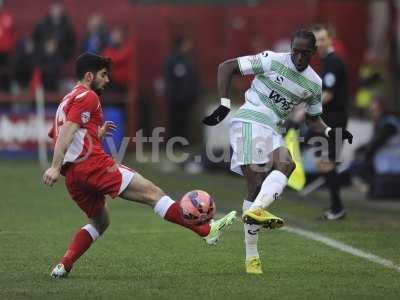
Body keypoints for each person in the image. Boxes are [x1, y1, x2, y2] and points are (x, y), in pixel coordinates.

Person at [43, 53, 236, 279]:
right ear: (89, 75)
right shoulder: (89, 96)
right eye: (103, 75)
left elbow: (60, 133)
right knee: (154, 193)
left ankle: (64, 265)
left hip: (74, 177)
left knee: (100, 221)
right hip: (92, 166)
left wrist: (96, 132)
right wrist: (54, 166)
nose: (107, 80)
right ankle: (206, 230)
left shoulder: (66, 100)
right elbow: (66, 133)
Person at [203, 29, 353, 274]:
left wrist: (330, 132)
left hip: (273, 128)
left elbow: (314, 119)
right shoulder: (271, 59)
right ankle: (252, 256)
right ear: (291, 48)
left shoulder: (314, 82)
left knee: (286, 165)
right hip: (249, 120)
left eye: (306, 53)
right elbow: (226, 66)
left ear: (314, 53)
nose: (300, 57)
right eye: (296, 52)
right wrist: (224, 104)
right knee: (256, 186)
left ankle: (230, 223)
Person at [312, 24, 350, 220]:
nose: (318, 43)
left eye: (322, 39)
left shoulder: (334, 62)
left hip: (335, 120)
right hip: (327, 119)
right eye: (316, 40)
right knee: (323, 163)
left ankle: (337, 208)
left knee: (326, 163)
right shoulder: (326, 61)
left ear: (330, 39)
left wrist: (305, 109)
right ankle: (336, 206)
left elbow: (328, 94)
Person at [163, 36, 200, 140]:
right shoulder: (173, 59)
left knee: (185, 120)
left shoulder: (189, 59)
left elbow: (193, 77)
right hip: (176, 97)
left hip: (186, 97)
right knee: (175, 120)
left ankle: (183, 140)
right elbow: (171, 78)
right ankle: (174, 141)